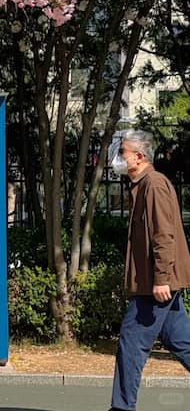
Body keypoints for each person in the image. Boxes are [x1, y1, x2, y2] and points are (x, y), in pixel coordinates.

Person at [110, 129, 190, 411]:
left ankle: (121, 408)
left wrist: (161, 279)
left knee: (131, 345)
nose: (118, 158)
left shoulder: (153, 185)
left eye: (122, 153)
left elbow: (163, 236)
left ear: (139, 157)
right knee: (180, 341)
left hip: (154, 285)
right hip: (155, 283)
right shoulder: (142, 186)